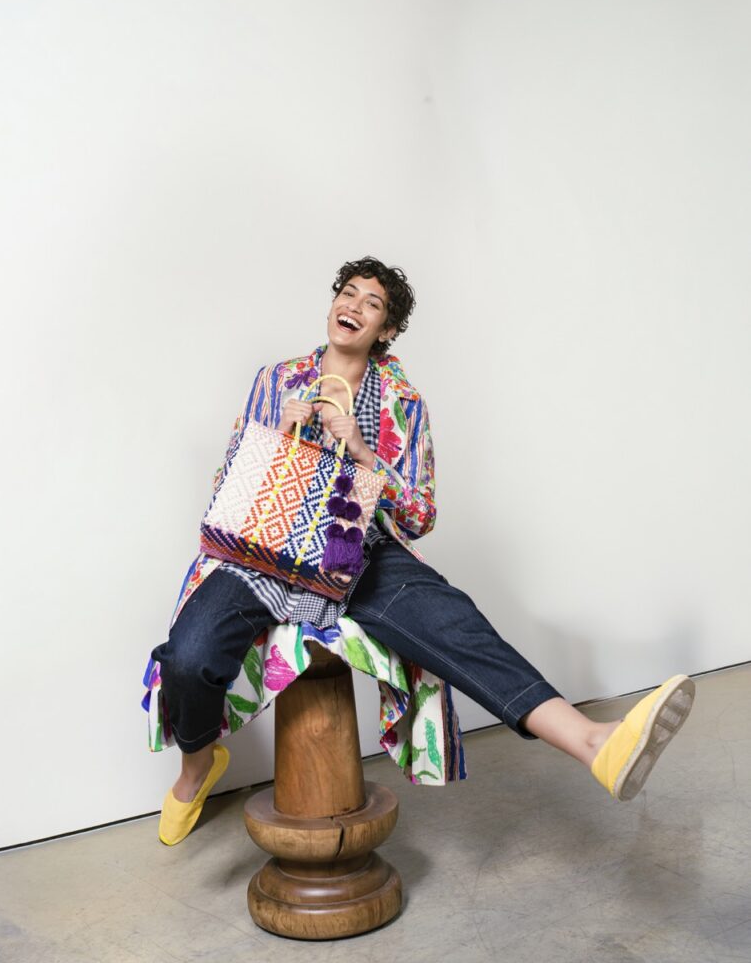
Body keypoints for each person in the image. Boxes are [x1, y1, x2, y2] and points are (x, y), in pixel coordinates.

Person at [149, 256, 695, 846]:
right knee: (188, 656)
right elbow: (226, 487)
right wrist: (276, 433)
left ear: (386, 330)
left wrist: (361, 449)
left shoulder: (403, 401)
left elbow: (419, 515)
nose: (353, 307)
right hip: (262, 553)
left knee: (455, 622)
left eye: (372, 303)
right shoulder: (276, 379)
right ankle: (199, 765)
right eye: (348, 294)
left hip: (353, 551)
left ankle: (594, 743)